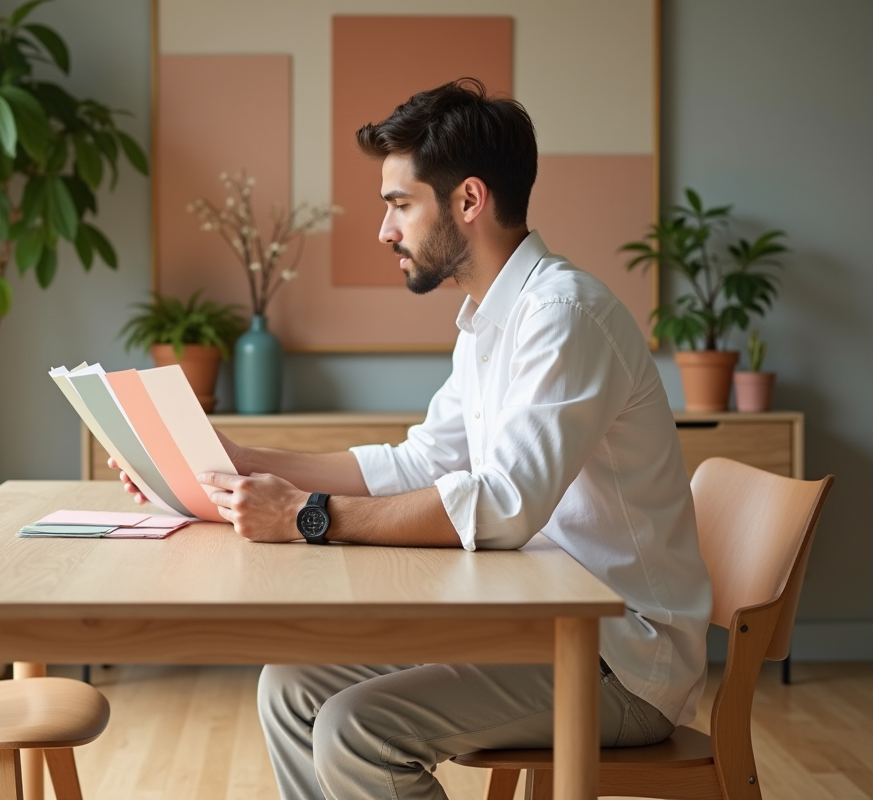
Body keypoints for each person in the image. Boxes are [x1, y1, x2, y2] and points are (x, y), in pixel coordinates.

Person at [111, 78, 712, 800]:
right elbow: (419, 462)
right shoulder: (489, 320)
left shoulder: (563, 317)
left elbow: (502, 507)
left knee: (357, 730)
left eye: (399, 205)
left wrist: (308, 516)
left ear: (468, 201)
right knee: (291, 690)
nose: (384, 231)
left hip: (618, 658)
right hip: (537, 624)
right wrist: (239, 459)